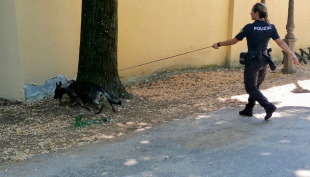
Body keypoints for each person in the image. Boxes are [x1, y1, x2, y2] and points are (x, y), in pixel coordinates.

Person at [212, 3, 299, 120]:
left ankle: (268, 106)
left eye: (252, 11)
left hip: (253, 62)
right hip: (265, 60)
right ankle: (249, 108)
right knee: (256, 85)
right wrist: (292, 54)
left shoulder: (249, 27)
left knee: (250, 88)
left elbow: (234, 41)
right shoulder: (270, 27)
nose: (250, 13)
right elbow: (280, 42)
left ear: (257, 13)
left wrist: (218, 44)